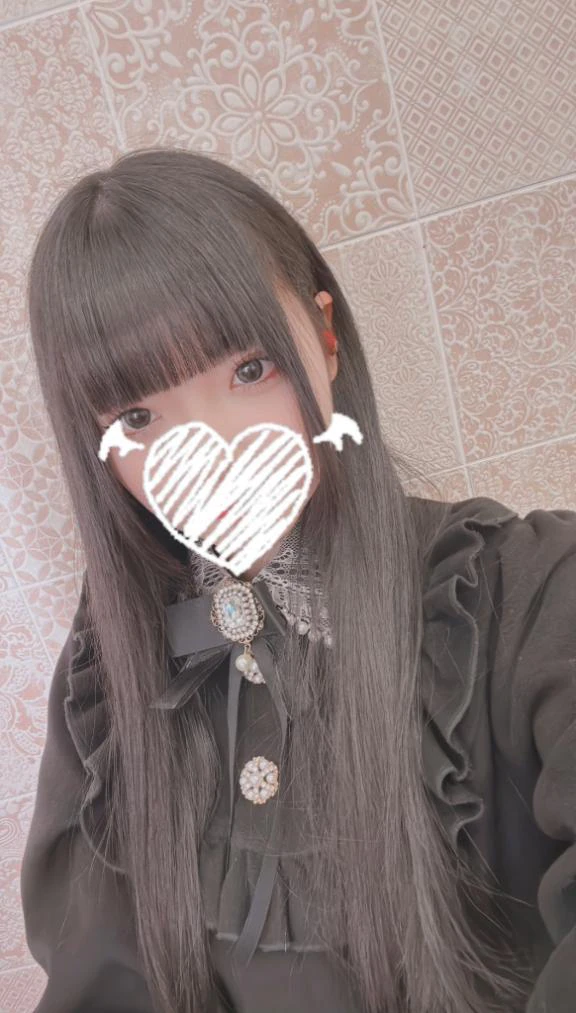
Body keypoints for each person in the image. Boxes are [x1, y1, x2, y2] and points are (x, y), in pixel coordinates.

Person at [19, 146, 576, 1013]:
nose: (214, 455)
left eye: (249, 370)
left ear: (323, 336)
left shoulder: (517, 590)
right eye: (139, 415)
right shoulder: (110, 671)